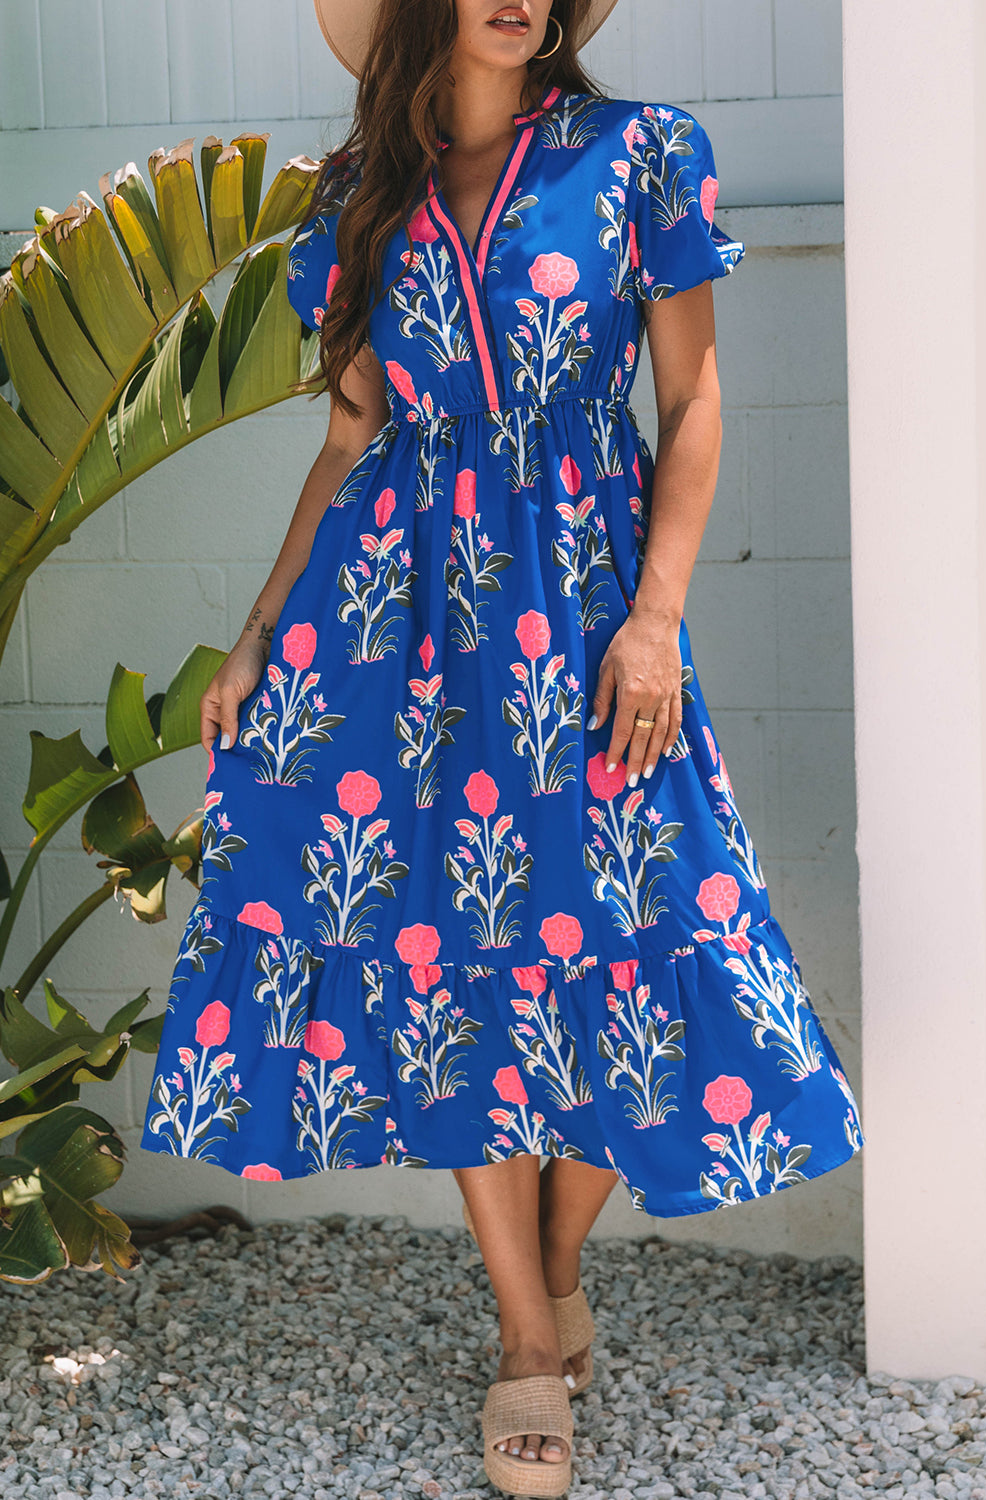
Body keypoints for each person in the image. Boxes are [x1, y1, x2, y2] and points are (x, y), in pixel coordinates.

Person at [140, 0, 864, 1492]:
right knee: (446, 949)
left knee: (653, 920)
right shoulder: (357, 195)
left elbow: (692, 398)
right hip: (395, 621)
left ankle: (558, 1259)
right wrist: (261, 628)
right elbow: (349, 438)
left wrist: (655, 616)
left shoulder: (640, 153)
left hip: (589, 605)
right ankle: (528, 1338)